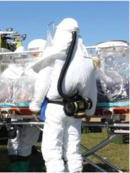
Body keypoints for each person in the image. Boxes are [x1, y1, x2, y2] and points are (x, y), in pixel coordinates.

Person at [29, 18, 98, 173]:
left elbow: (43, 82)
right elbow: (91, 88)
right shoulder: (87, 60)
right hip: (76, 109)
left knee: (52, 148)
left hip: (55, 107)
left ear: (59, 32)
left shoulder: (54, 54)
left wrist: (35, 105)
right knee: (73, 148)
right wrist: (89, 111)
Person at [6, 41, 45, 173]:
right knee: (15, 140)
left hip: (29, 108)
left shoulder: (33, 68)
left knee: (24, 141)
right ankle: (16, 169)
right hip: (17, 108)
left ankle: (20, 169)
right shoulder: (11, 70)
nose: (20, 61)